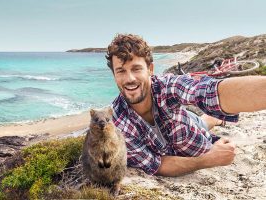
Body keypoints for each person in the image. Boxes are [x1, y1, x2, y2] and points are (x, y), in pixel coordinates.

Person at [106, 33, 266, 177]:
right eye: (121, 71)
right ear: (114, 75)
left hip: (189, 127)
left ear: (150, 69)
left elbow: (209, 92)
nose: (130, 79)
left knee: (202, 123)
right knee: (201, 121)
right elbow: (157, 165)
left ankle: (214, 119)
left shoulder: (167, 87)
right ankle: (210, 119)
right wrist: (209, 159)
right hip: (182, 127)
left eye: (136, 69)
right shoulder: (117, 125)